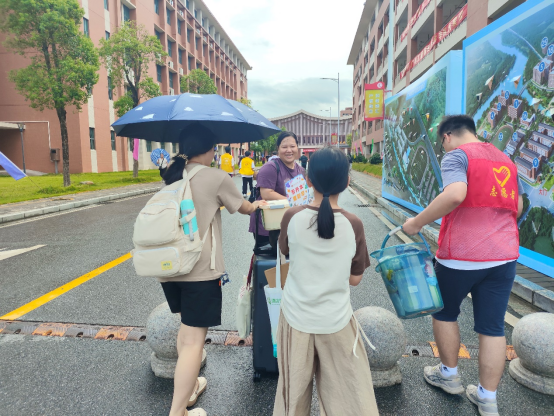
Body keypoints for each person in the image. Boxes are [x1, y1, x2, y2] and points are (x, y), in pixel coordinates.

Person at [402, 115, 524, 416]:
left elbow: (455, 194)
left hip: (461, 255)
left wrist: (416, 223)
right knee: (493, 327)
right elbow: (518, 206)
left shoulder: (457, 156)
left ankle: (449, 375)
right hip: (504, 256)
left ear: (447, 136)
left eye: (442, 144)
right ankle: (487, 399)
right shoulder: (505, 161)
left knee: (445, 312)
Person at [161, 124, 265, 416]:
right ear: (209, 150)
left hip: (170, 267)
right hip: (200, 270)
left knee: (186, 331)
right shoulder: (216, 177)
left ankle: (190, 387)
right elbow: (243, 207)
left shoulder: (172, 175)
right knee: (194, 341)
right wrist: (256, 204)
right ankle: (178, 411)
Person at [273, 148, 379, 416]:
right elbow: (355, 279)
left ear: (308, 180)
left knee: (292, 398)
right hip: (336, 321)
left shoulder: (291, 217)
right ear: (347, 182)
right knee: (348, 400)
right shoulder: (354, 224)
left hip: (295, 319)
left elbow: (286, 253)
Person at [249, 131, 307, 248]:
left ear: (297, 147)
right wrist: (292, 202)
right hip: (268, 228)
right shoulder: (270, 167)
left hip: (290, 225)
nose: (289, 150)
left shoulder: (300, 170)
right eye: (284, 147)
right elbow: (266, 193)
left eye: (292, 146)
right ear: (278, 148)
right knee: (270, 258)